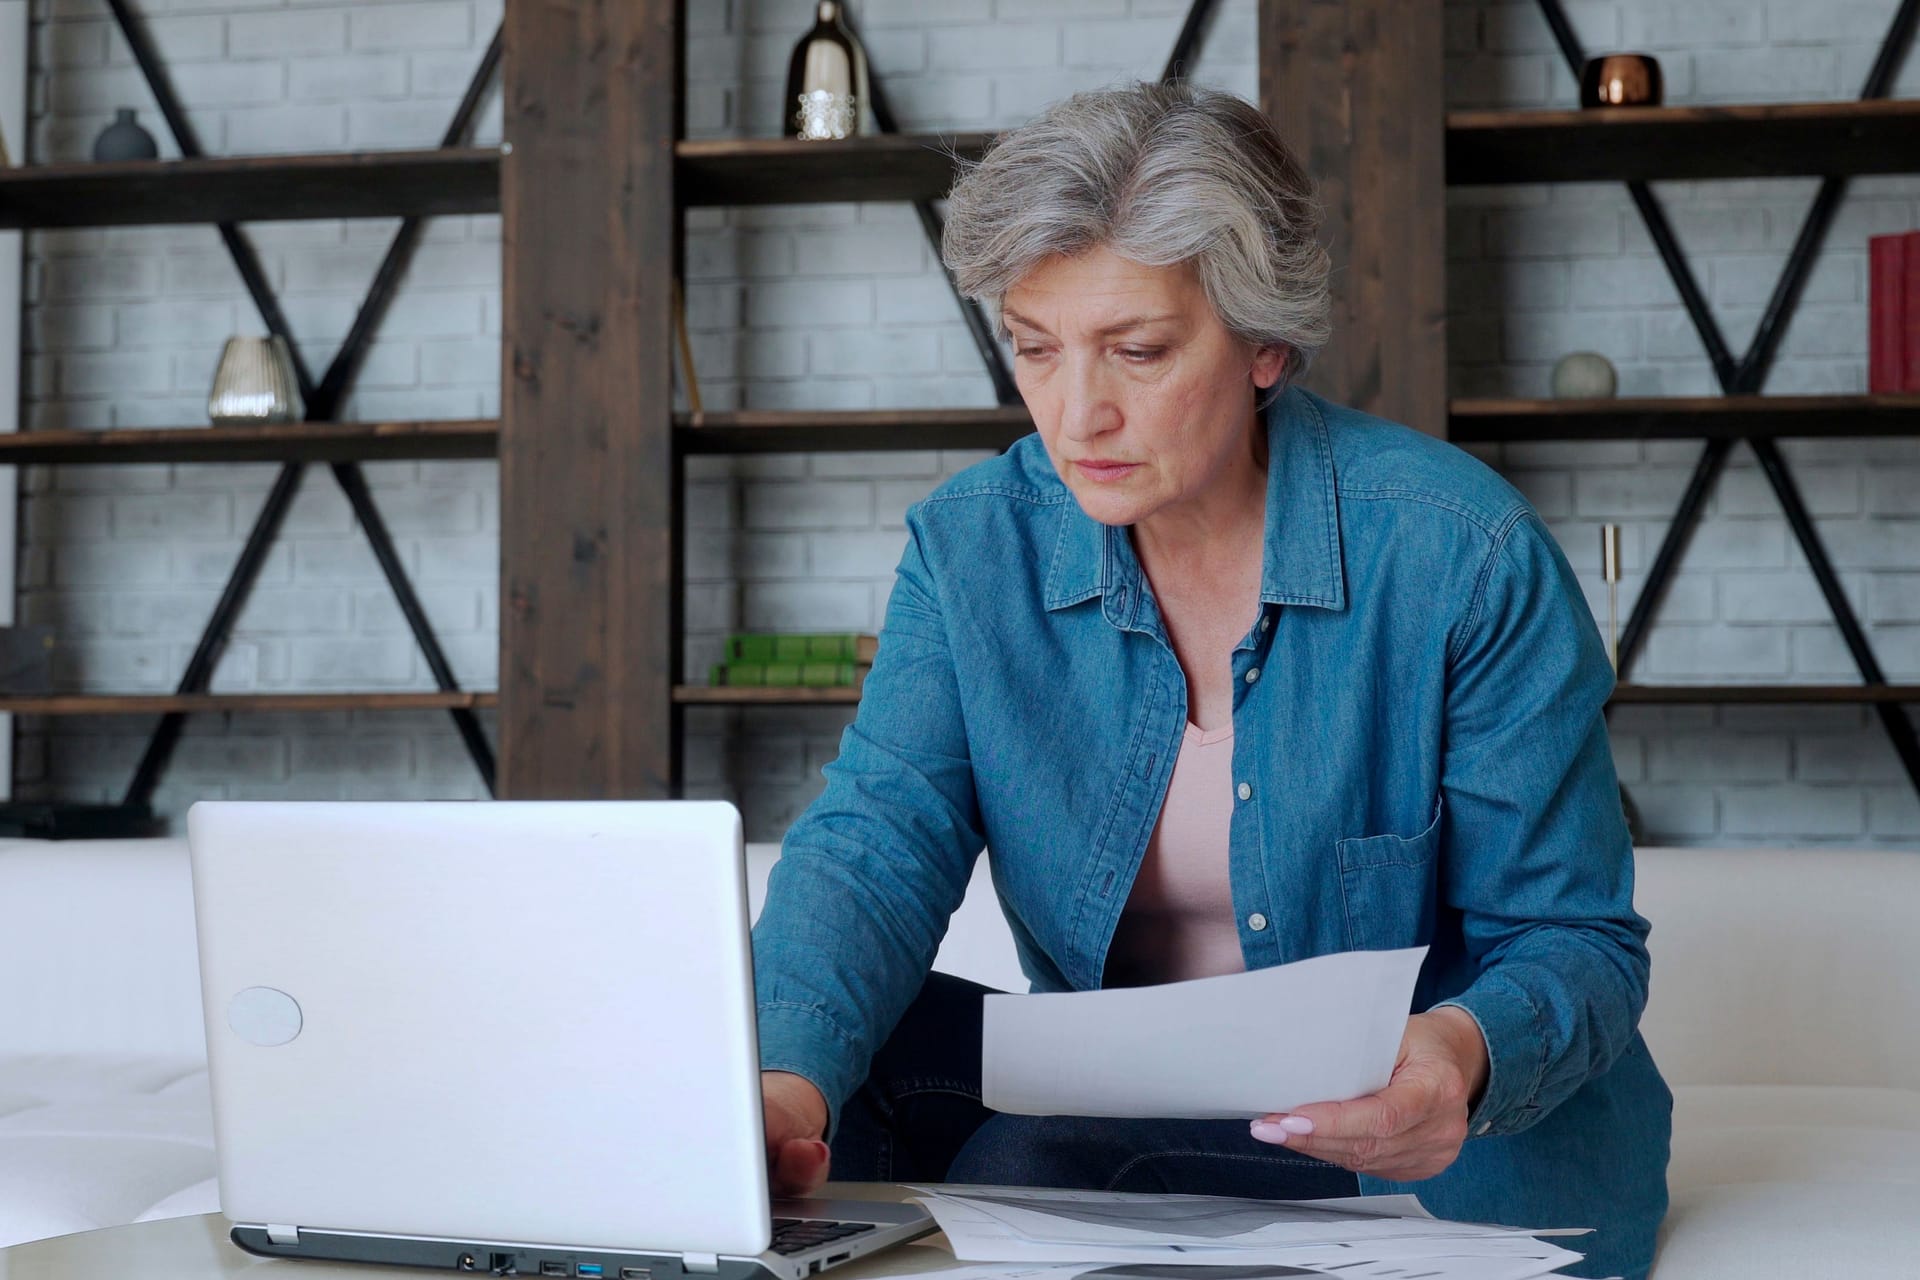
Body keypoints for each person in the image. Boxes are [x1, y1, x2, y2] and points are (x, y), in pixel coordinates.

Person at [749, 80, 1671, 1280]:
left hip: (1415, 1131)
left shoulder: (1460, 554)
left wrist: (1458, 1054)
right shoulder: (971, 547)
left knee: (1024, 1161)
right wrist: (779, 1082)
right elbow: (878, 840)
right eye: (1035, 348)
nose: (1079, 413)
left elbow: (1573, 938)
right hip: (1135, 1102)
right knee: (826, 1040)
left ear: (1265, 344)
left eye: (1137, 349)